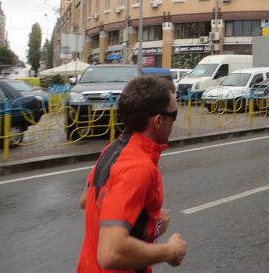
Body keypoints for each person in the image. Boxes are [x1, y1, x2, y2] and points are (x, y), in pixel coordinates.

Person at [77, 76, 187, 272]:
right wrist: (169, 251)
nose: (174, 122)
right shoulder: (138, 168)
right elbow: (111, 253)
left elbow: (87, 200)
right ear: (158, 121)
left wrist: (151, 225)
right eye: (174, 115)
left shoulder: (112, 149)